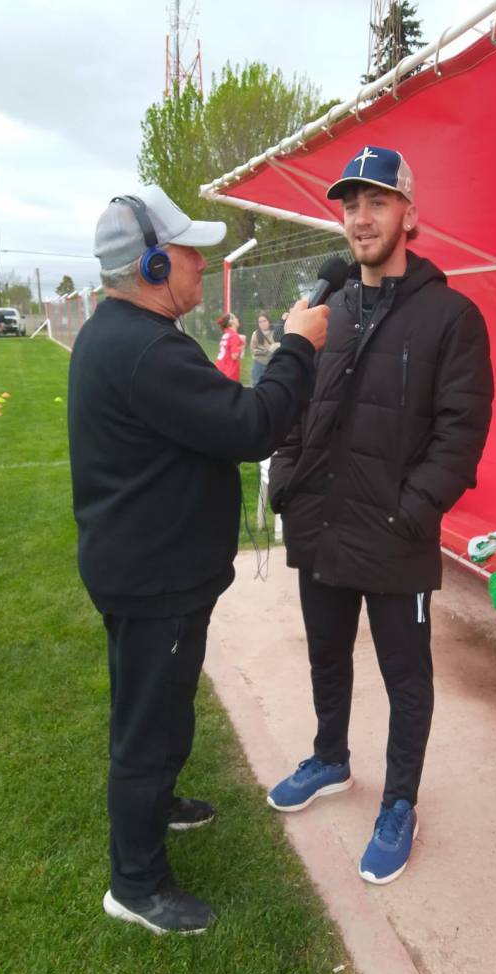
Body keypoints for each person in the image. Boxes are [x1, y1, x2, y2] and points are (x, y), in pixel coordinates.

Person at [67, 184, 328, 935]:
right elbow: (250, 424)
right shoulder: (145, 348)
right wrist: (300, 345)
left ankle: (157, 808)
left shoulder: (119, 333)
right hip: (155, 579)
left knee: (153, 711)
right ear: (151, 263)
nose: (197, 263)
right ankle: (136, 883)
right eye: (187, 253)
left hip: (142, 568)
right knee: (147, 729)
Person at [266, 145, 494, 885]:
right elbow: (299, 400)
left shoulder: (452, 317)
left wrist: (410, 511)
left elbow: (461, 434)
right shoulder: (326, 310)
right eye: (349, 204)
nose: (361, 217)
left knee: (406, 679)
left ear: (410, 214)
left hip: (396, 538)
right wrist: (291, 482)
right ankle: (330, 757)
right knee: (326, 655)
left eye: (377, 201)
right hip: (324, 526)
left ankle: (399, 802)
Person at [250, 312, 279, 385]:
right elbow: (253, 350)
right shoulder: (256, 334)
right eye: (260, 322)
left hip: (273, 365)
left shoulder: (276, 332)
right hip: (259, 364)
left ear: (269, 321)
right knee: (256, 384)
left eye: (264, 321)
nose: (263, 323)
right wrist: (268, 350)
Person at [215, 312, 245, 381]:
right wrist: (242, 345)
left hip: (220, 370)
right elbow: (234, 356)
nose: (237, 319)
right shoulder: (234, 335)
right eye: (234, 317)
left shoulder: (226, 334)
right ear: (231, 322)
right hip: (229, 373)